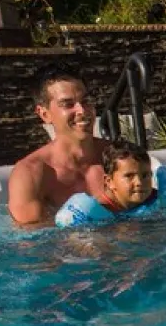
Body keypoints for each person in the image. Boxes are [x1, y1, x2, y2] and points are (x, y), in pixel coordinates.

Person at [8, 66, 105, 227]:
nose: (82, 110)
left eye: (85, 101)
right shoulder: (30, 174)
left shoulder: (117, 157)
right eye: (68, 104)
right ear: (45, 114)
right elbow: (31, 237)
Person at [54, 139, 166, 228]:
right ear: (109, 181)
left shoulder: (158, 200)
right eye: (129, 176)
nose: (139, 182)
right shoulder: (94, 212)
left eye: (145, 175)